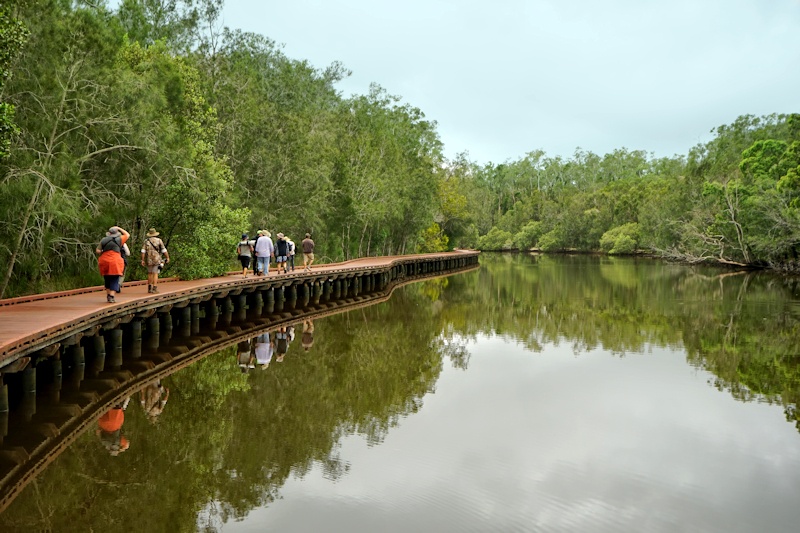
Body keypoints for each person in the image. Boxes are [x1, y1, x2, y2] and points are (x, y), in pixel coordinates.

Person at [96, 226, 130, 303]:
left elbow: (98, 250)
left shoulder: (104, 240)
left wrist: (104, 252)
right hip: (115, 260)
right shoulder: (120, 239)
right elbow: (127, 234)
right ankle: (111, 296)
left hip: (104, 260)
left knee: (107, 278)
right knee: (115, 278)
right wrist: (119, 228)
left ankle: (108, 295)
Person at [141, 227, 170, 293]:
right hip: (157, 259)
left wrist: (142, 260)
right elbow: (164, 250)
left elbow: (143, 251)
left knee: (150, 273)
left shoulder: (146, 241)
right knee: (155, 273)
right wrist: (167, 257)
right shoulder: (159, 240)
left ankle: (149, 288)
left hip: (149, 259)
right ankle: (154, 288)